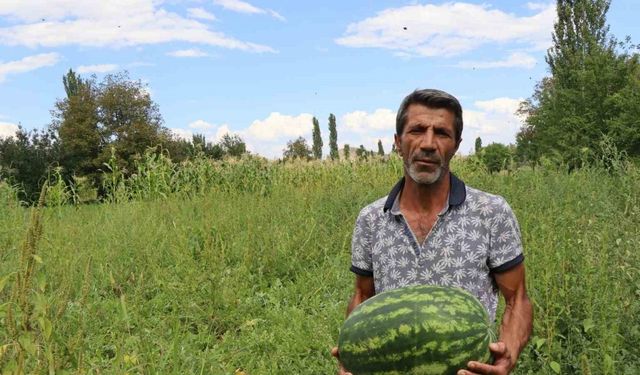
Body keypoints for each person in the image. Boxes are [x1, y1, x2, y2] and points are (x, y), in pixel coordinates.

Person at [331, 89, 532, 375]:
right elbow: (363, 297)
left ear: (456, 145)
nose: (428, 143)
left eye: (441, 133)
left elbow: (517, 299)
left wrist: (507, 354)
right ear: (398, 142)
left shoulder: (492, 212)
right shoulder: (371, 219)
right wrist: (354, 354)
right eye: (416, 130)